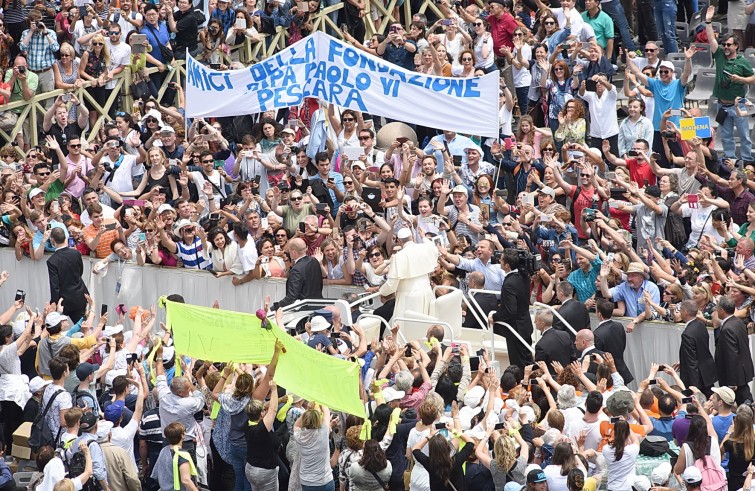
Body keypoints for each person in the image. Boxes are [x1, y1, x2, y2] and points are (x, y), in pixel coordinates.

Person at [704, 6, 755, 164]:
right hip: (722, 105)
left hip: (737, 104)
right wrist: (708, 21)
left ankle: (746, 161)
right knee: (726, 136)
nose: (725, 47)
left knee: (744, 136)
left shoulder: (742, 62)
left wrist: (741, 79)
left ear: (736, 47)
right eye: (724, 44)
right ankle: (729, 161)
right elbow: (711, 39)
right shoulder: (719, 55)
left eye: (728, 45)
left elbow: (753, 78)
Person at [378, 228, 438, 322]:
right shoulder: (425, 248)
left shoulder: (399, 256)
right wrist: (423, 237)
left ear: (399, 241)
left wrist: (381, 291)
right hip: (427, 292)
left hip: (409, 298)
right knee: (427, 325)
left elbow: (391, 285)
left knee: (408, 328)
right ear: (413, 237)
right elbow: (433, 247)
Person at [489, 249, 534, 369]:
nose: (499, 261)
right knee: (527, 362)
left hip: (515, 329)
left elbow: (510, 310)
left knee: (518, 364)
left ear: (507, 265)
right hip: (525, 325)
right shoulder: (524, 276)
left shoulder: (509, 283)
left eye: (501, 260)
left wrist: (494, 317)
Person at [714, 296, 754, 405]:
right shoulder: (739, 322)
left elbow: (731, 356)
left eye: (717, 308)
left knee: (744, 404)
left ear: (722, 310)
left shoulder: (728, 329)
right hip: (741, 372)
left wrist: (732, 382)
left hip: (734, 376)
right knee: (746, 400)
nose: (716, 310)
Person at [46, 227, 89, 323]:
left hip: (63, 300)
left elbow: (54, 285)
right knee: (83, 327)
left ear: (52, 240)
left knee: (57, 329)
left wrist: (54, 302)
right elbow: (80, 272)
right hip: (79, 296)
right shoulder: (76, 253)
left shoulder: (52, 261)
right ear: (65, 238)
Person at [677, 300, 716, 397]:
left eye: (680, 310)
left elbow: (692, 362)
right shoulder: (701, 325)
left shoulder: (687, 334)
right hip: (706, 373)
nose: (679, 312)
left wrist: (694, 387)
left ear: (685, 312)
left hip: (697, 378)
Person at [293, 405, 334, 491]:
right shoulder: (323, 432)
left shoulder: (299, 436)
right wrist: (320, 401)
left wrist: (308, 410)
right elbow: (326, 412)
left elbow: (296, 425)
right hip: (325, 481)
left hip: (307, 482)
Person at [273, 237, 323, 309]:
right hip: (318, 305)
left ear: (294, 252)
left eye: (289, 251)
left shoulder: (296, 270)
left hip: (303, 309)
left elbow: (291, 297)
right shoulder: (314, 261)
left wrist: (274, 307)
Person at [593, 299, 633, 384]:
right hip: (622, 369)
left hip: (608, 376)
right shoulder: (619, 326)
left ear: (599, 314)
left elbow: (598, 355)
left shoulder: (597, 334)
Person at [151, 422, 200, 491]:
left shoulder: (163, 451)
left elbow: (155, 474)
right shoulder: (182, 455)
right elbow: (186, 480)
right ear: (182, 435)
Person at [533, 309, 576, 375]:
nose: (534, 322)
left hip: (552, 380)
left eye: (536, 320)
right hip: (568, 376)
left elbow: (540, 369)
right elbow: (573, 358)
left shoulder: (540, 345)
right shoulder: (565, 335)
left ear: (542, 324)